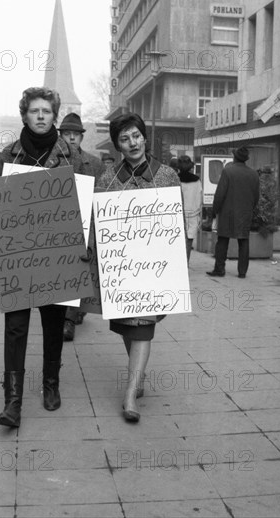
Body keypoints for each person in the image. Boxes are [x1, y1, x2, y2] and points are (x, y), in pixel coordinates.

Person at [0, 87, 86, 428]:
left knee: (53, 325)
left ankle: (50, 384)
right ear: (25, 115)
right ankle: (12, 400)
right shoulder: (7, 156)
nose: (41, 116)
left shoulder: (72, 158)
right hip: (17, 256)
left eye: (47, 110)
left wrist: (84, 243)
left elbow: (85, 206)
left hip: (58, 256)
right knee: (15, 329)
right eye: (35, 111)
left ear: (54, 115)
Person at [96, 113, 181, 422]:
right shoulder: (108, 178)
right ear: (118, 144)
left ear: (145, 138)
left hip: (153, 267)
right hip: (120, 268)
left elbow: (176, 223)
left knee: (143, 326)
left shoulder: (167, 175)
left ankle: (130, 394)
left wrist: (178, 264)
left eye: (136, 136)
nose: (131, 143)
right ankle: (139, 374)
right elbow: (99, 222)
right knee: (126, 326)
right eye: (124, 138)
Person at [58, 112, 105, 342]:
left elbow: (102, 198)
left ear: (81, 137)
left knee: (79, 270)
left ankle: (69, 318)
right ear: (61, 136)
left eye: (76, 134)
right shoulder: (51, 161)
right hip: (57, 226)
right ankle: (67, 313)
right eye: (67, 134)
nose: (72, 138)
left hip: (85, 226)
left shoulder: (94, 164)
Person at [207, 146, 260, 279]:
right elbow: (256, 196)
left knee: (223, 240)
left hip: (227, 212)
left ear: (234, 157)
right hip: (245, 212)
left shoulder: (227, 171)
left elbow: (220, 194)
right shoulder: (253, 174)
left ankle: (219, 269)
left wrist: (215, 210)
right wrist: (250, 209)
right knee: (243, 241)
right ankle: (242, 272)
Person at [177, 155, 202, 262]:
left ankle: (178, 264)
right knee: (189, 239)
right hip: (193, 213)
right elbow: (200, 198)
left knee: (177, 240)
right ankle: (186, 262)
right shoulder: (197, 181)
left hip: (178, 213)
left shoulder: (175, 179)